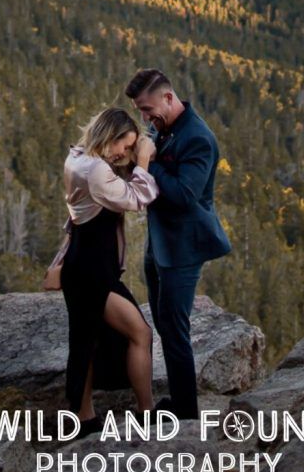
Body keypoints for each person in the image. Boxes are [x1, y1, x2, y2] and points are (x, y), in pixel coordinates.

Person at [125, 69, 231, 420]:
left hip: (184, 248)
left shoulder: (198, 138)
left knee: (175, 327)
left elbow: (185, 195)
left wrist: (148, 163)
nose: (145, 118)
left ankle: (186, 413)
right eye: (141, 111)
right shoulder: (162, 127)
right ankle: (179, 401)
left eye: (148, 108)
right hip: (159, 244)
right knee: (165, 325)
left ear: (169, 98)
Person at [59, 107, 158, 437]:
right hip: (92, 271)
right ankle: (145, 412)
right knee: (140, 334)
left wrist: (132, 154)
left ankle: (85, 417)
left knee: (86, 339)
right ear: (109, 136)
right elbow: (137, 197)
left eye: (130, 148)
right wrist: (143, 160)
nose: (124, 153)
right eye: (124, 145)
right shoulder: (96, 171)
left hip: (84, 265)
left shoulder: (77, 157)